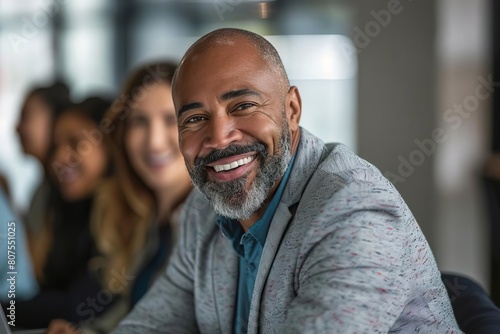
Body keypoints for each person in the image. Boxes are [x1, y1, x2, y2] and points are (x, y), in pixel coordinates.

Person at [109, 28, 461, 333]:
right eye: (196, 118)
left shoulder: (353, 210)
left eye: (243, 105)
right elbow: (152, 326)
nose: (218, 137)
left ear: (291, 110)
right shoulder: (200, 213)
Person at [46, 62, 192, 333]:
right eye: (139, 121)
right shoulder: (145, 219)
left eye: (170, 119)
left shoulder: (216, 225)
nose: (155, 142)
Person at [11, 97, 113, 329]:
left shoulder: (123, 218)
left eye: (75, 143)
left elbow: (77, 307)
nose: (58, 158)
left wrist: (8, 312)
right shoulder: (69, 209)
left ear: (110, 145)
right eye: (56, 146)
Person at [16, 82, 72, 281]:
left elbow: (38, 270)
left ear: (54, 117)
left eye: (26, 115)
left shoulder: (70, 192)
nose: (17, 127)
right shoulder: (42, 191)